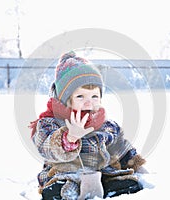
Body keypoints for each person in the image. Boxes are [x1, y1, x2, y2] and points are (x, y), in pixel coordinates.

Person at [29, 51, 148, 199]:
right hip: (65, 173)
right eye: (80, 96)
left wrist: (136, 163)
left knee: (128, 182)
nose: (89, 102)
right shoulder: (50, 122)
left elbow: (121, 148)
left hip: (102, 174)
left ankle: (103, 187)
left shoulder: (106, 125)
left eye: (94, 96)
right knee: (63, 188)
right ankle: (75, 190)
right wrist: (69, 138)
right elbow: (45, 146)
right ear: (65, 99)